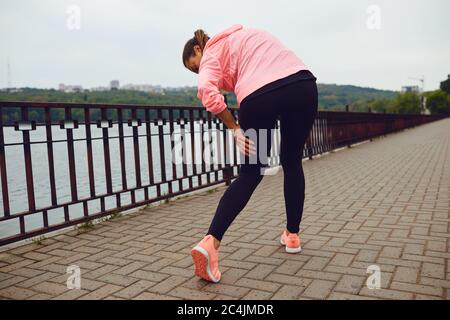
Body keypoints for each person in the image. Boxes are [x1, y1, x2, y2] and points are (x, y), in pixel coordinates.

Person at [182, 24, 318, 283]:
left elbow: (207, 92)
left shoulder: (210, 53)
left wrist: (234, 128)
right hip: (302, 85)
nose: (198, 71)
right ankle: (292, 236)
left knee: (251, 173)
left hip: (259, 96)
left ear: (199, 48)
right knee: (292, 161)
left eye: (195, 66)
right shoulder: (246, 33)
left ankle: (210, 242)